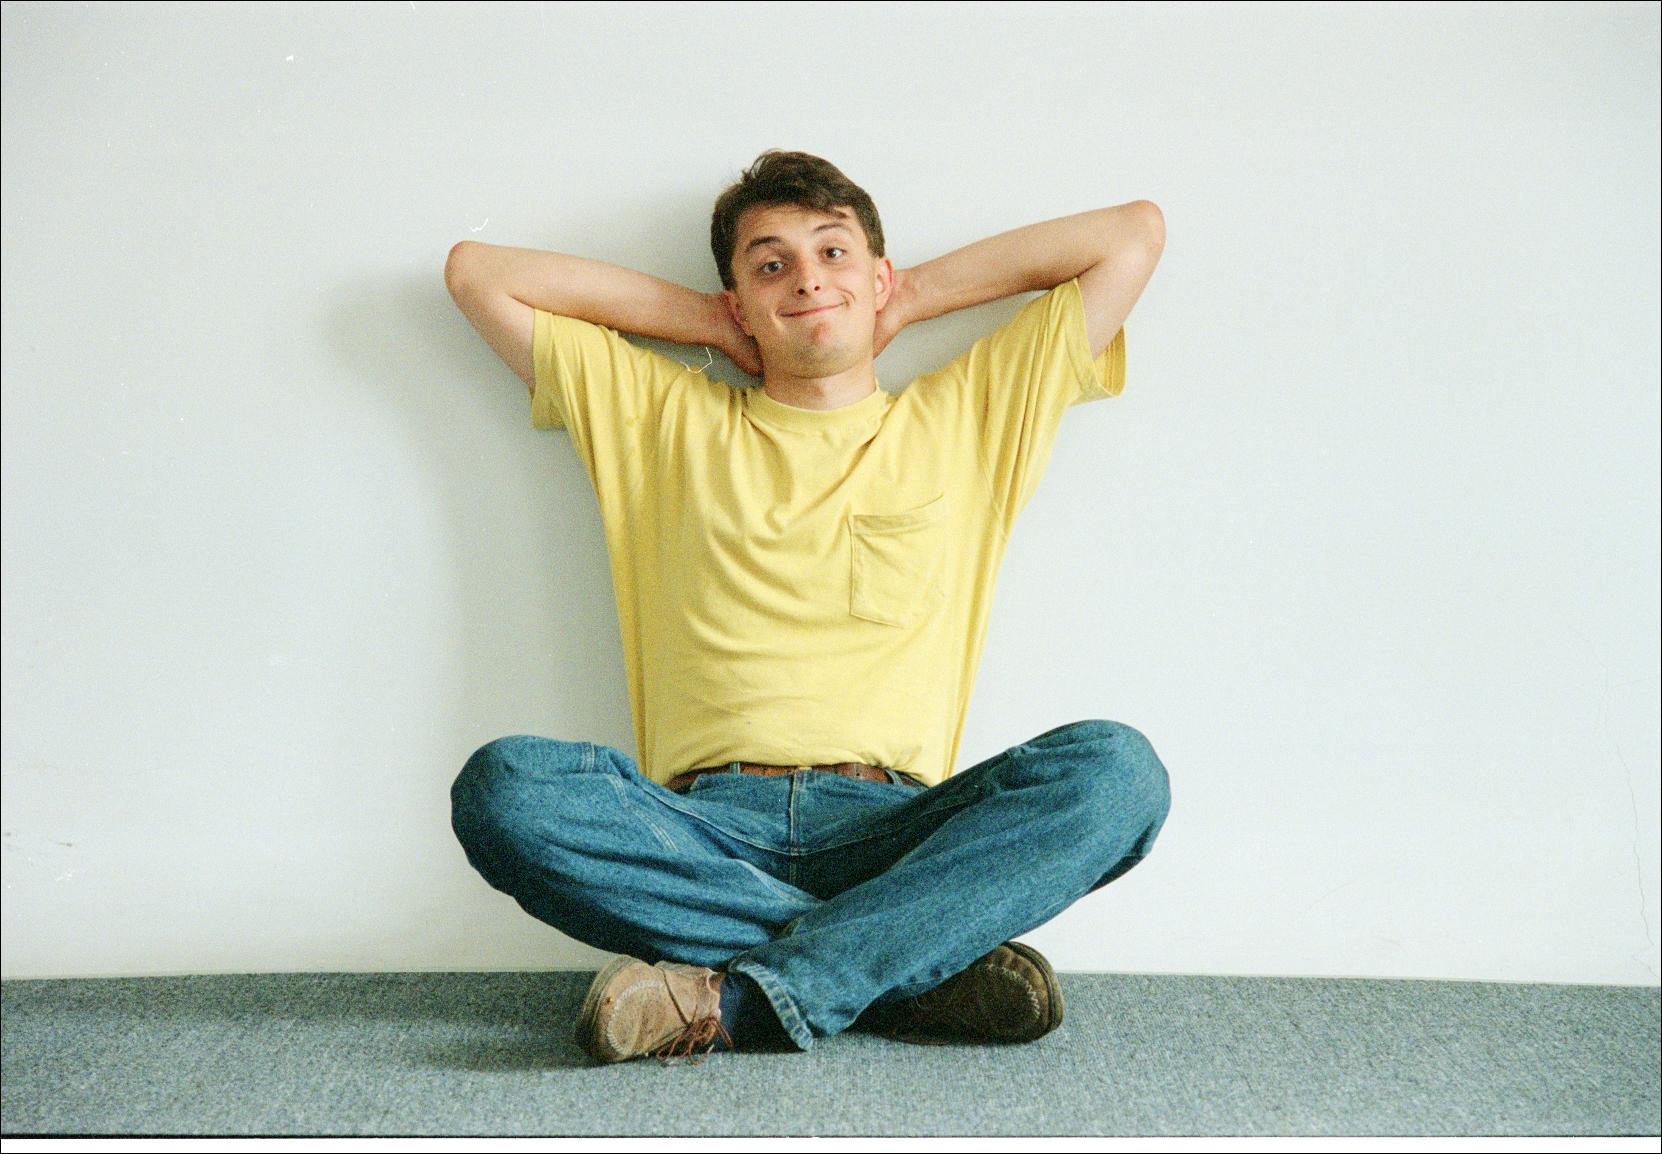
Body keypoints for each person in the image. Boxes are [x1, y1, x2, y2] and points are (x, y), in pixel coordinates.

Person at [443, 150, 1171, 1066]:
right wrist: (711, 322)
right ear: (739, 301)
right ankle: (903, 963)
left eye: (833, 253)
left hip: (898, 833)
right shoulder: (659, 416)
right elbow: (478, 275)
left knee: (1117, 772)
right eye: (770, 265)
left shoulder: (970, 416)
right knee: (504, 789)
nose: (807, 279)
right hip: (701, 832)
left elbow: (1132, 235)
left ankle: (744, 1001)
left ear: (877, 276)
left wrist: (908, 298)